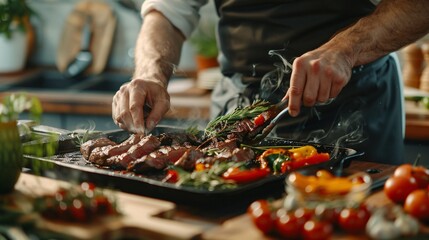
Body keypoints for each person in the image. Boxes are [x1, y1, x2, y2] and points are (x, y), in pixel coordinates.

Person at [112, 0, 429, 165]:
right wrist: (150, 73)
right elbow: (166, 13)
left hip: (355, 107)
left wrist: (345, 51)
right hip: (238, 105)